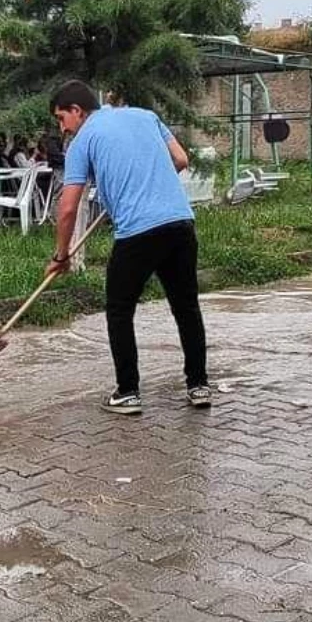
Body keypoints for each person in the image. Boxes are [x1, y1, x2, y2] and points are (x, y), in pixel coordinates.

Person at [47, 80, 211, 414]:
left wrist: (61, 256)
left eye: (61, 118)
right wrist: (135, 184)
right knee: (186, 307)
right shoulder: (145, 116)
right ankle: (198, 386)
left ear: (77, 111)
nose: (62, 127)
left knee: (120, 310)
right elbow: (180, 159)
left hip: (138, 233)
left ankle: (128, 391)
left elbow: (67, 209)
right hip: (181, 223)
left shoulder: (83, 141)